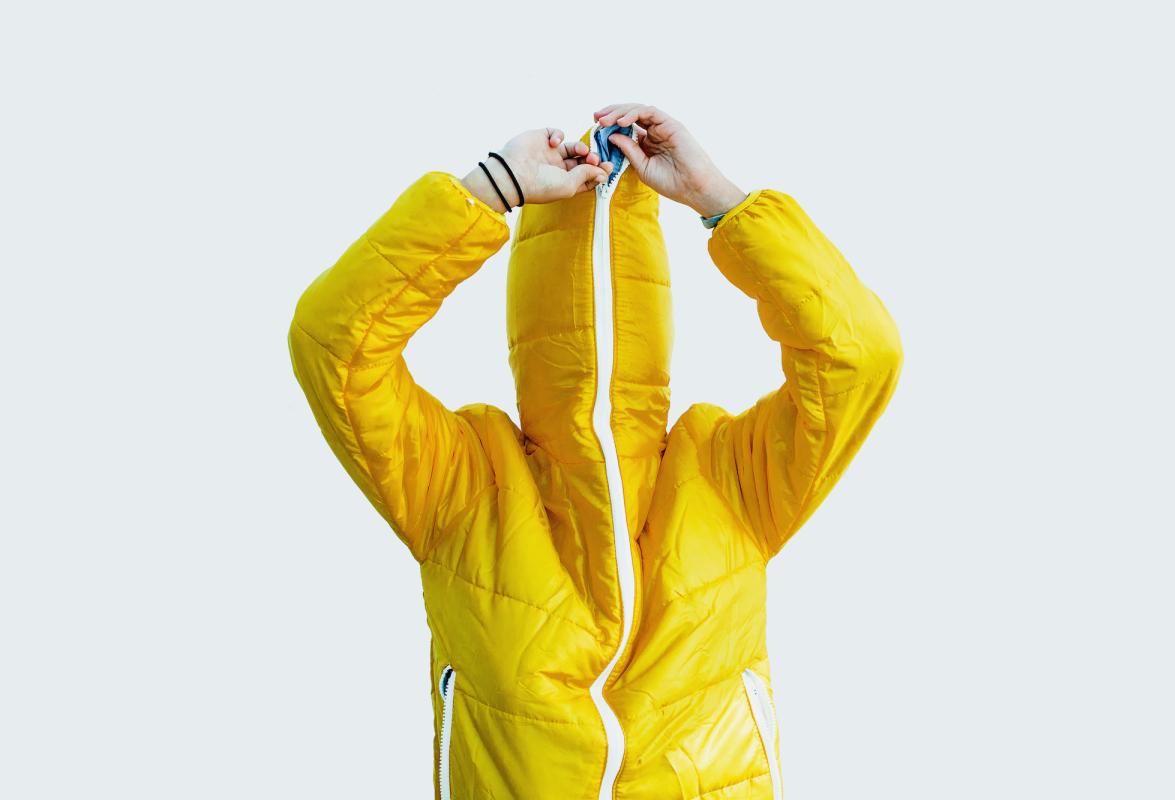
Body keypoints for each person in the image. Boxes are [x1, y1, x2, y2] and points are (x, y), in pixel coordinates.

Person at [288, 103, 903, 800]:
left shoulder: (728, 479)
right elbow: (333, 346)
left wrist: (719, 201)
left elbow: (860, 356)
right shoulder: (462, 486)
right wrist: (490, 189)